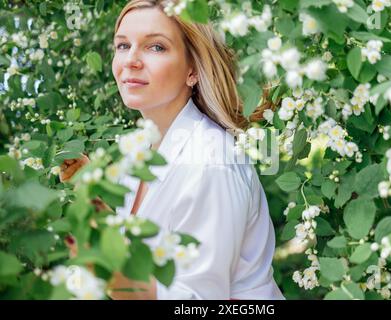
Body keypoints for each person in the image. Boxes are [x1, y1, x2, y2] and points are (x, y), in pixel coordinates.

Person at [60, 0, 284, 300]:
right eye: (123, 46)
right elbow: (146, 249)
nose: (131, 61)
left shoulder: (210, 162)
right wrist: (94, 200)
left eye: (156, 47)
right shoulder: (141, 150)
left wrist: (110, 275)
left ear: (192, 70)